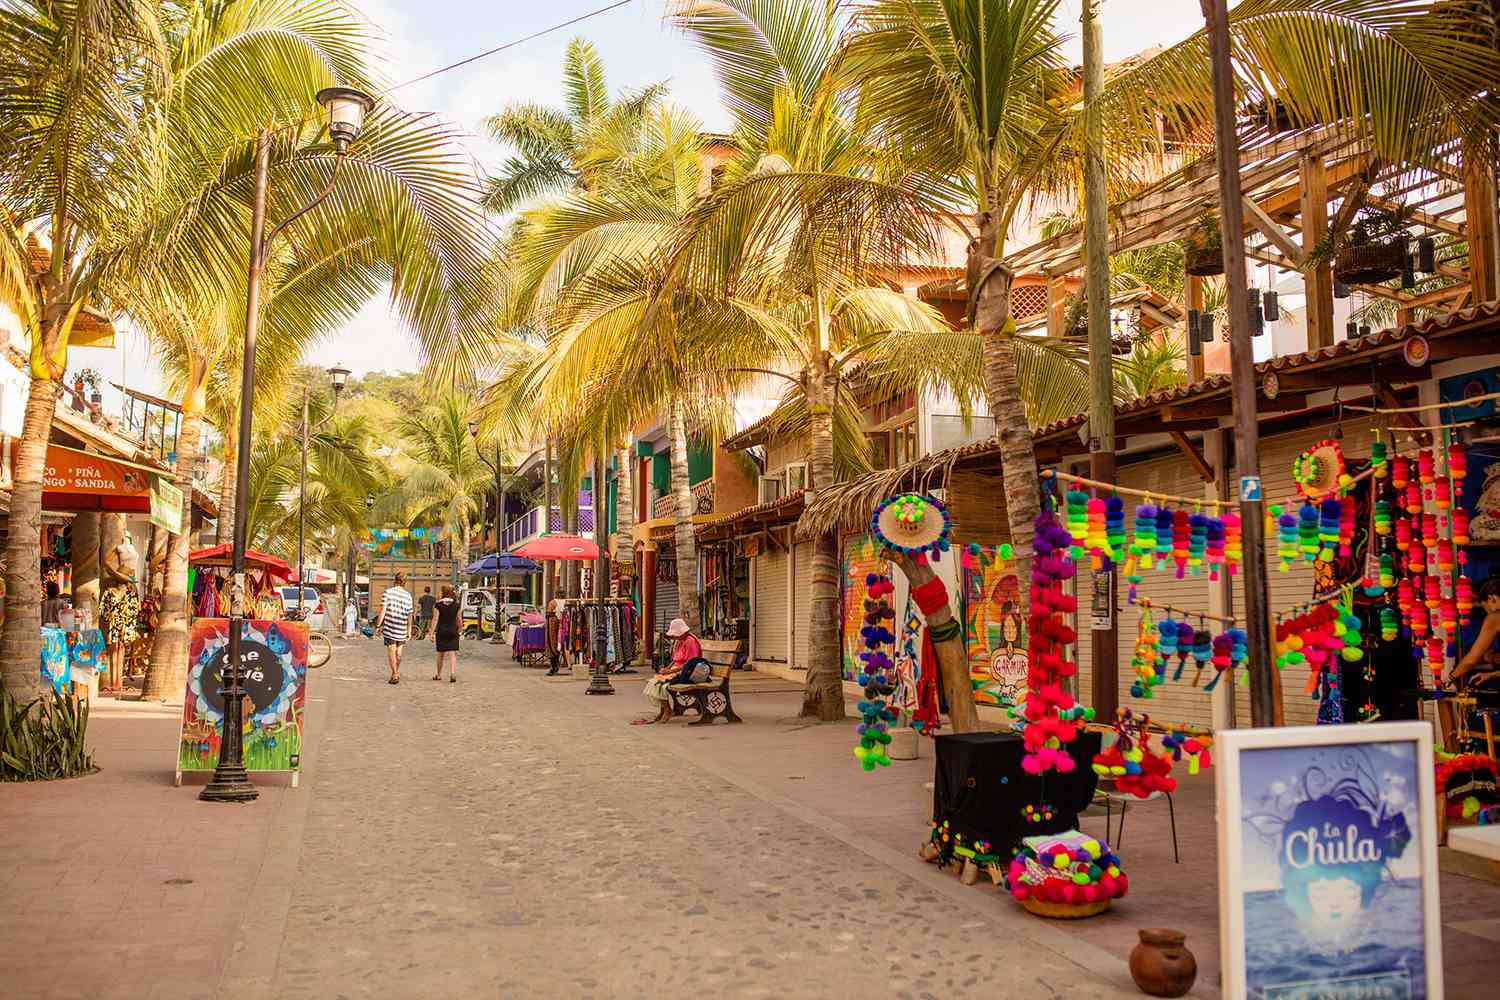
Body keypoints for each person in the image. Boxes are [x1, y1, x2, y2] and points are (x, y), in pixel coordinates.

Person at [633, 617, 708, 725]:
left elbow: (690, 664)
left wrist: (670, 672)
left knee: (661, 685)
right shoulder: (679, 641)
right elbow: (675, 660)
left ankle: (667, 710)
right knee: (653, 682)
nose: (674, 636)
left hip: (687, 673)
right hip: (676, 670)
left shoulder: (690, 641)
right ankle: (664, 709)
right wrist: (667, 669)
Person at [374, 572, 413, 684]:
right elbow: (410, 614)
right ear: (405, 582)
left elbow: (383, 611)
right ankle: (395, 672)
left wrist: (378, 625)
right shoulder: (408, 596)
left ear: (395, 580)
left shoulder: (388, 593)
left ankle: (395, 673)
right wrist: (409, 629)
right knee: (399, 652)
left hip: (390, 626)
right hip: (402, 627)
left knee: (392, 651)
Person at [432, 585, 461, 683]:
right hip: (453, 631)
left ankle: (439, 674)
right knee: (452, 653)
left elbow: (435, 619)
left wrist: (431, 632)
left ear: (443, 593)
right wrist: (460, 629)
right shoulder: (456, 605)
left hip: (441, 631)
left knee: (440, 654)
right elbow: (459, 619)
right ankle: (452, 673)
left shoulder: (438, 605)